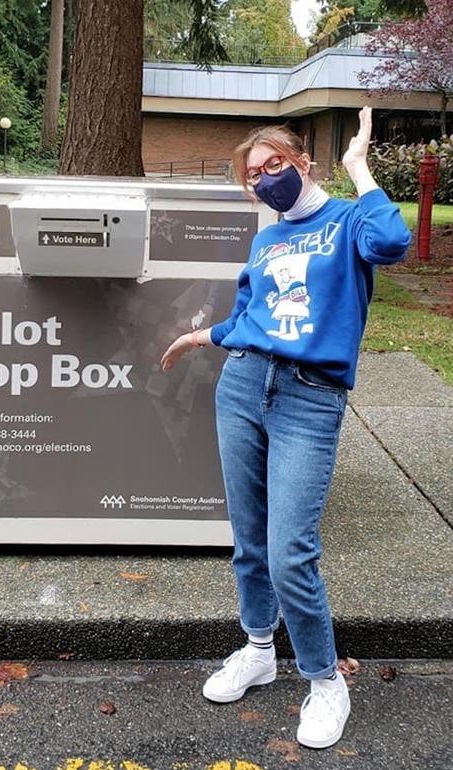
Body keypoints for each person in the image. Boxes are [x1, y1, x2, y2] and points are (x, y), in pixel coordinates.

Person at [160, 107, 411, 750]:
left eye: (276, 165)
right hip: (243, 386)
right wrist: (200, 336)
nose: (266, 179)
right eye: (255, 175)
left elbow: (393, 243)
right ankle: (257, 648)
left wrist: (360, 169)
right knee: (249, 539)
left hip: (309, 398)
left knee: (289, 552)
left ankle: (326, 680)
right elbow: (250, 316)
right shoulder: (266, 240)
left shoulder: (349, 220)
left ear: (303, 162)